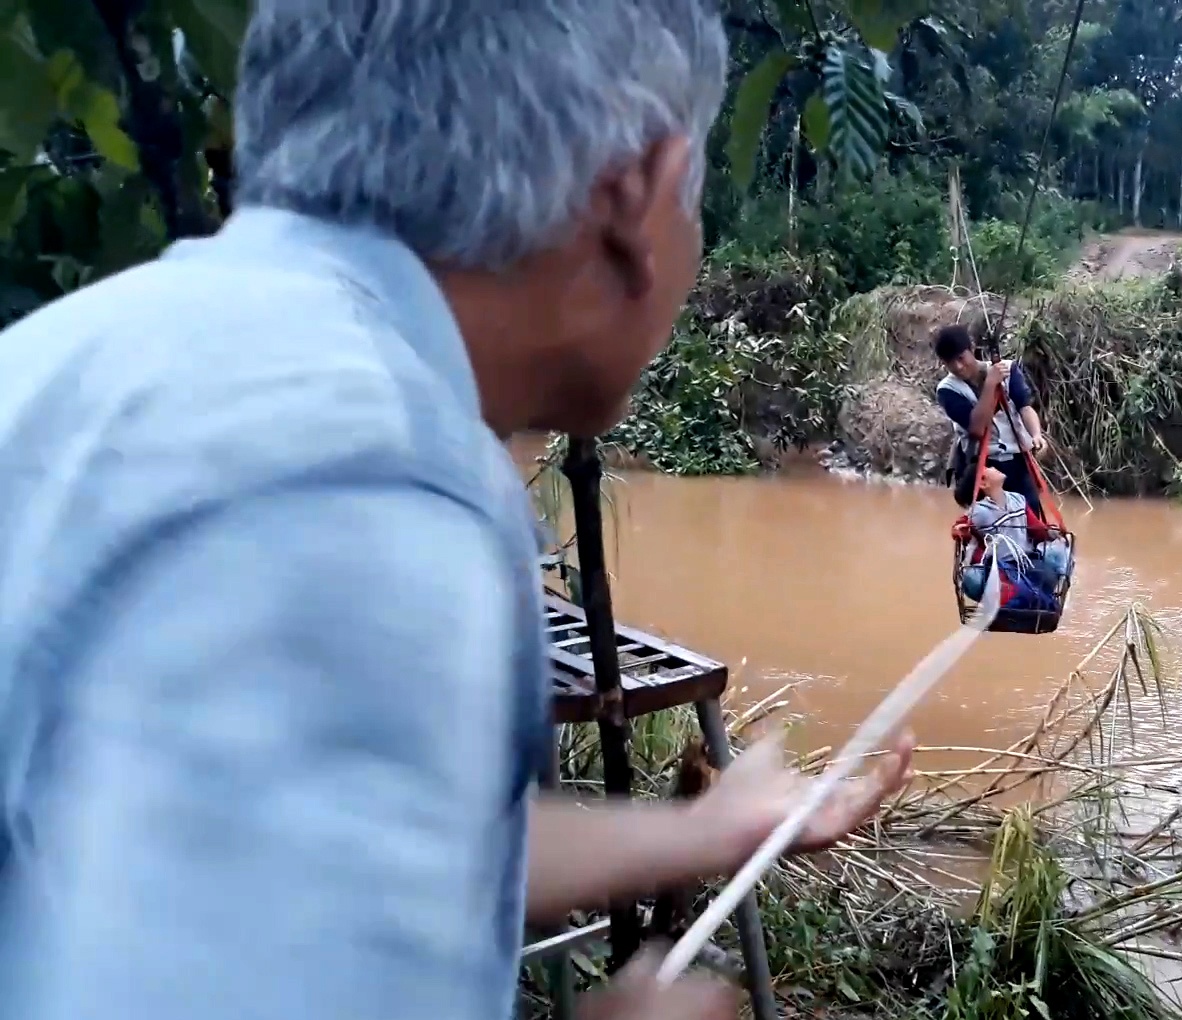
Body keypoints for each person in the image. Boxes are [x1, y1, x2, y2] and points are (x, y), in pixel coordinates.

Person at [0, 4, 913, 1020]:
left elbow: (319, 846)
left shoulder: (76, 360)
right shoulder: (367, 478)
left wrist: (705, 830)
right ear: (634, 196)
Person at [931, 324, 1048, 517]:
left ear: (972, 348)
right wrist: (991, 384)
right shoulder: (947, 390)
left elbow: (1025, 408)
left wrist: (1036, 435)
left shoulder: (1009, 370)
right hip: (983, 466)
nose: (959, 367)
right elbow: (977, 428)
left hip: (1018, 460)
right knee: (989, 520)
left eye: (961, 358)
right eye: (951, 363)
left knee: (1031, 515)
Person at [955, 464, 1066, 612]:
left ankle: (1025, 599)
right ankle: (1019, 599)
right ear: (983, 483)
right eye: (988, 468)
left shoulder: (1018, 500)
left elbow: (1036, 529)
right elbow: (961, 526)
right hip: (1001, 567)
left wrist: (1054, 532)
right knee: (981, 581)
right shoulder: (980, 512)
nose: (993, 466)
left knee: (1048, 577)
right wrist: (960, 532)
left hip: (1025, 560)